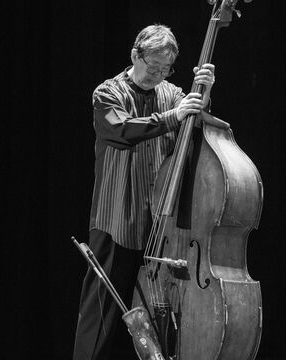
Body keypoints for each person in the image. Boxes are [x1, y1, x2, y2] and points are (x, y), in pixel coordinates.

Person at [73, 24, 216, 360]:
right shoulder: (107, 93)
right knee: (100, 320)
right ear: (134, 55)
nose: (159, 75)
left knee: (161, 320)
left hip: (163, 227)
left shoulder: (173, 93)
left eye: (166, 69)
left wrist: (203, 100)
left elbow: (196, 127)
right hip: (117, 221)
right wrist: (173, 116)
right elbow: (121, 130)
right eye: (153, 67)